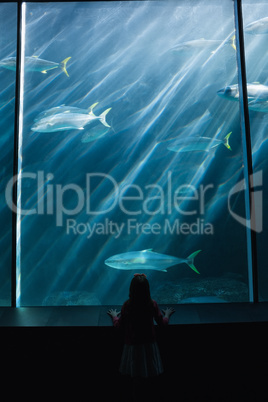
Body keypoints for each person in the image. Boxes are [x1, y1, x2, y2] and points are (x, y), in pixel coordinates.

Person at [107, 273, 175, 402]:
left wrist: (114, 316)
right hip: (149, 345)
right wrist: (167, 315)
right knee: (150, 374)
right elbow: (162, 323)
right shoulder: (152, 304)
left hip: (133, 346)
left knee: (136, 379)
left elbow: (119, 326)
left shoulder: (127, 305)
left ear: (131, 289)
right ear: (148, 289)